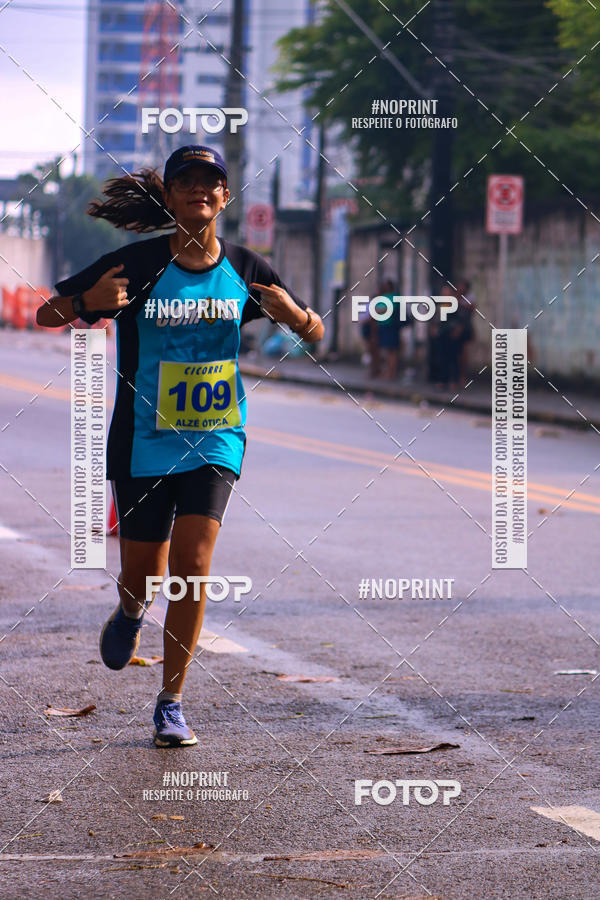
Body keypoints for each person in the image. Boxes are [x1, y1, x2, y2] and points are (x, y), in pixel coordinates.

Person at [36, 144, 324, 748]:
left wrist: (295, 316)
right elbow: (46, 313)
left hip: (217, 437)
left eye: (210, 181)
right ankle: (130, 610)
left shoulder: (246, 268)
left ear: (225, 196)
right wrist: (87, 305)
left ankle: (171, 701)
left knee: (193, 568)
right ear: (169, 197)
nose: (199, 190)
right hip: (143, 440)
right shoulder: (137, 267)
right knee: (144, 571)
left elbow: (315, 329)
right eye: (186, 181)